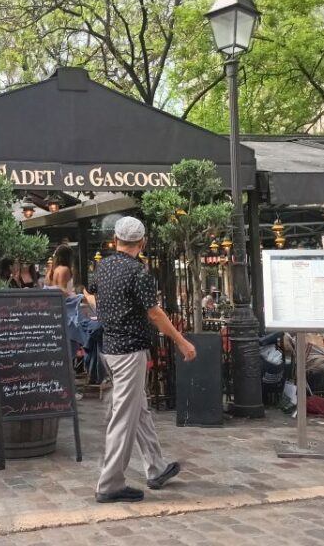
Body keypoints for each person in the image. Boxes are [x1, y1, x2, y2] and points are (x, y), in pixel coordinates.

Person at [84, 216, 196, 504]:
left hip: (110, 348)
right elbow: (154, 313)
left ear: (115, 241)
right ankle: (109, 484)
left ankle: (156, 467)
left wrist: (110, 315)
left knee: (139, 409)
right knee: (124, 416)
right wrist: (181, 341)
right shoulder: (139, 273)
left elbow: (90, 294)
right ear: (142, 242)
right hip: (130, 352)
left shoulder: (104, 266)